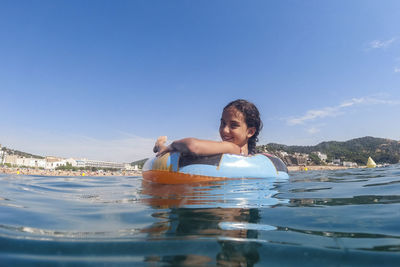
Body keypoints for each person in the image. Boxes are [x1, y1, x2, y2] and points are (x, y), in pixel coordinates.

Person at [153, 99, 263, 157]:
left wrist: (172, 145)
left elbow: (192, 146)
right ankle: (159, 145)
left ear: (250, 132)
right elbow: (192, 146)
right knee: (163, 150)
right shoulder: (232, 148)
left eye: (233, 125)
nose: (224, 130)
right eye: (223, 123)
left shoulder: (234, 149)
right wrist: (171, 147)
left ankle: (159, 145)